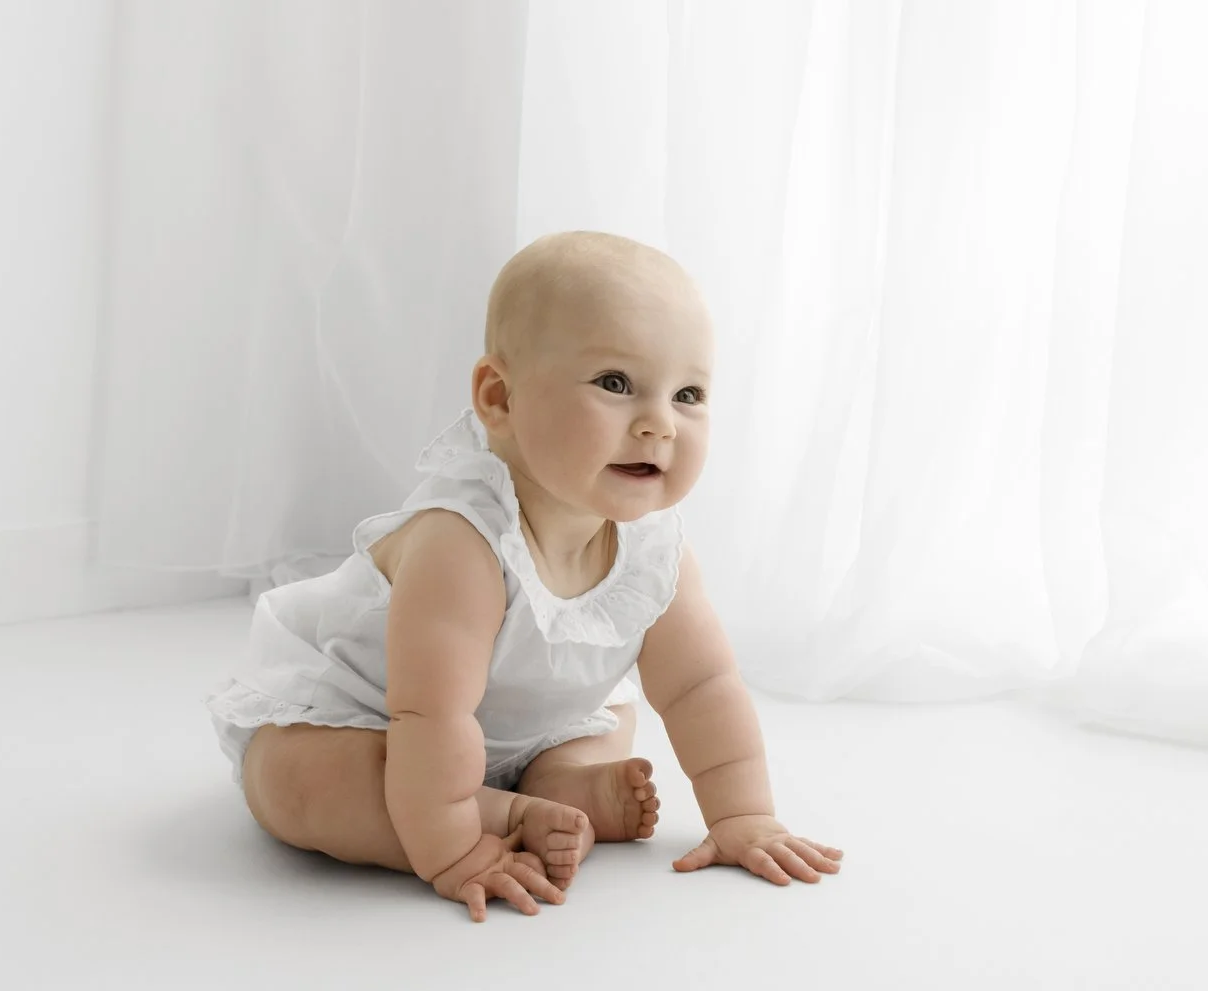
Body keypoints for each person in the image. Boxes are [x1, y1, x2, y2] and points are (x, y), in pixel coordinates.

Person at [205, 231, 842, 921]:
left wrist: (743, 816)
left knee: (605, 719)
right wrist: (455, 852)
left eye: (687, 394)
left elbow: (701, 688)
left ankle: (562, 784)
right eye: (616, 384)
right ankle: (500, 812)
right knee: (297, 782)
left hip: (532, 727)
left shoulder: (655, 554)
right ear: (499, 397)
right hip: (382, 730)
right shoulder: (463, 544)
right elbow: (429, 715)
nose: (659, 423)